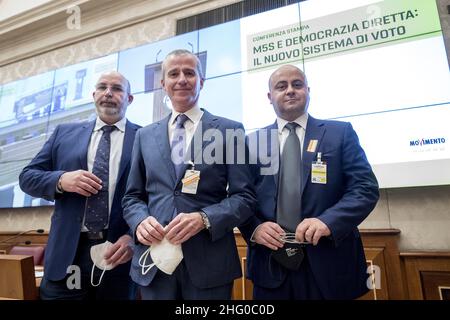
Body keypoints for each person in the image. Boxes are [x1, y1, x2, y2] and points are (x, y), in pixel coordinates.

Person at [122, 49, 256, 300]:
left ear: (201, 81)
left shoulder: (230, 130)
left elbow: (244, 197)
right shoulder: (144, 136)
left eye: (189, 72)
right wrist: (140, 221)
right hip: (155, 263)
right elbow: (132, 198)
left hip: (210, 264)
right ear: (163, 84)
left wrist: (204, 218)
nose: (181, 79)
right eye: (173, 73)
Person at [239, 64, 379, 300]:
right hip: (271, 265)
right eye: (281, 86)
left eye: (297, 84)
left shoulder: (340, 133)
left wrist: (328, 222)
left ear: (308, 90)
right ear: (269, 97)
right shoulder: (251, 142)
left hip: (329, 264)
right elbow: (241, 197)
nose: (290, 90)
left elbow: (364, 189)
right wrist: (254, 228)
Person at [19, 71, 141, 300]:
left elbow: (154, 196)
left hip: (119, 256)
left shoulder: (145, 138)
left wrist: (133, 237)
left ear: (129, 98)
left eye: (116, 88)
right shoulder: (63, 133)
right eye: (102, 87)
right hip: (67, 256)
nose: (108, 93)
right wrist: (61, 180)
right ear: (93, 94)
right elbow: (27, 177)